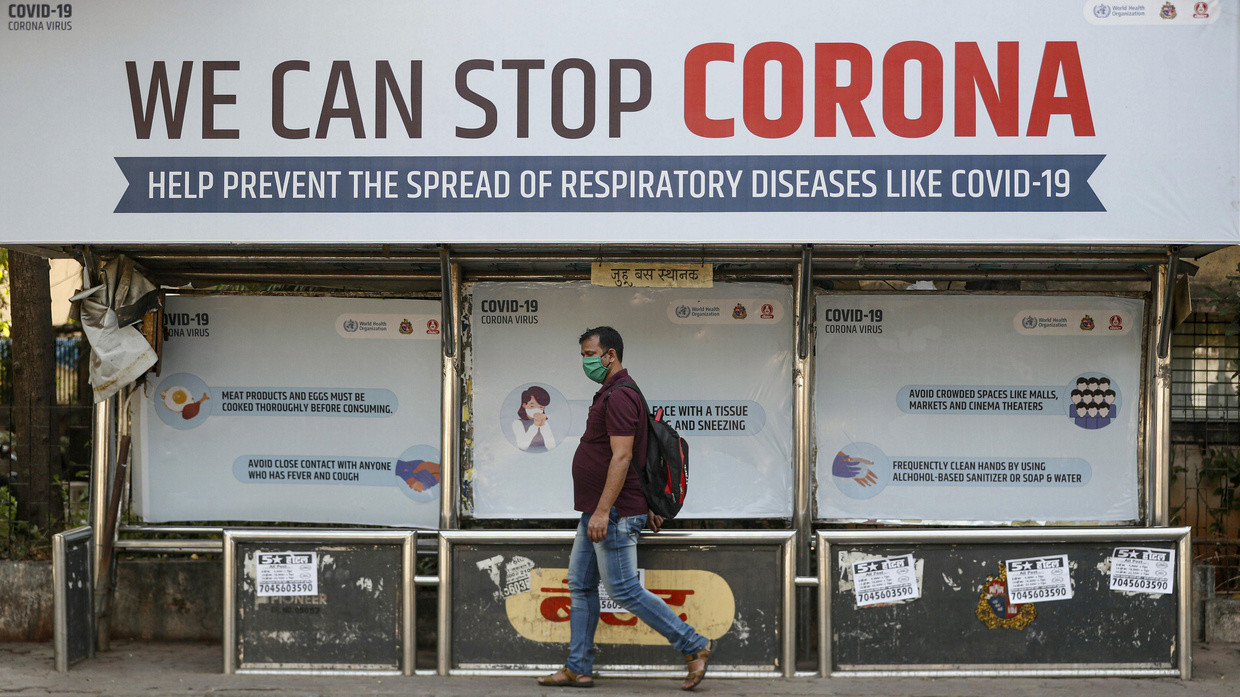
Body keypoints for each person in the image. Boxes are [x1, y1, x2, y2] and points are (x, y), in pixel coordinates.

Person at [538, 326, 713, 691]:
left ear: (610, 355)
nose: (585, 361)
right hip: (601, 508)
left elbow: (622, 457)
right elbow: (634, 461)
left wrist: (605, 511)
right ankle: (578, 667)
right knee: (581, 585)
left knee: (623, 590)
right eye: (583, 354)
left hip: (611, 512)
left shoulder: (619, 396)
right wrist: (616, 506)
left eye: (590, 354)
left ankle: (694, 644)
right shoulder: (612, 393)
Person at [512, 385, 557, 451]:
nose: (536, 410)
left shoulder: (544, 423)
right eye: (532, 406)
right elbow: (522, 447)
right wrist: (535, 425)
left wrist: (543, 426)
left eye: (540, 407)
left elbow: (551, 446)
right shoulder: (517, 423)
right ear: (524, 405)